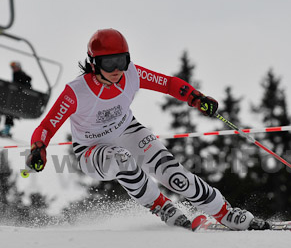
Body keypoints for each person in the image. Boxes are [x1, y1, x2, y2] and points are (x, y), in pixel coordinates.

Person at [25, 28, 270, 231]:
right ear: (93, 63)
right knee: (122, 160)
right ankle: (161, 206)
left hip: (128, 130)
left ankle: (226, 213)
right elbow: (47, 126)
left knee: (174, 174)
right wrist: (39, 149)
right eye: (108, 63)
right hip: (91, 149)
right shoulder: (77, 91)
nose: (116, 70)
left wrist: (197, 98)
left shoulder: (131, 74)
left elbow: (169, 84)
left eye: (121, 61)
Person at [0, 61, 32, 136]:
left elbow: (23, 89)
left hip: (15, 101)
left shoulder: (21, 76)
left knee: (4, 106)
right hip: (14, 101)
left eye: (14, 67)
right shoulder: (19, 75)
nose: (13, 69)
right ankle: (3, 127)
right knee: (7, 106)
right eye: (12, 68)